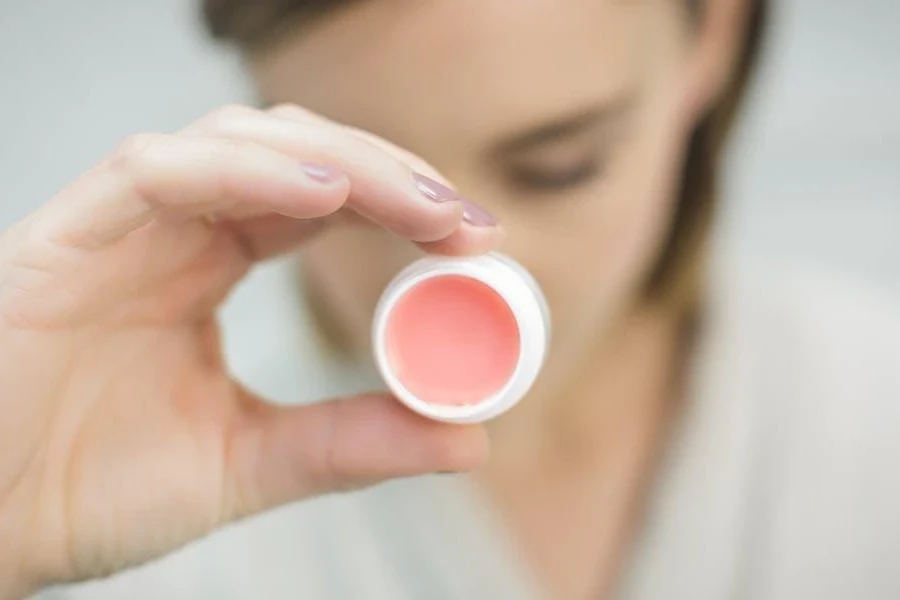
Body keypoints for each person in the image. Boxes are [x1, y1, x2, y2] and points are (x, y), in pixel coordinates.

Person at [3, 0, 900, 598]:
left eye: (559, 166)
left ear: (713, 40)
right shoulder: (122, 485)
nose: (457, 257)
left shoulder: (874, 425)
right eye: (362, 187)